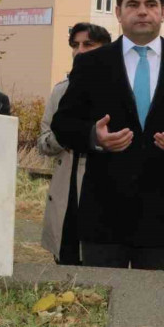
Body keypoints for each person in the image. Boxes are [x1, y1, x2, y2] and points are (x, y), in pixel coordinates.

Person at [51, 0, 164, 275]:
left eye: (151, 4)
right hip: (103, 215)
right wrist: (94, 137)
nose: (143, 11)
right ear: (118, 12)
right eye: (133, 4)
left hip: (163, 217)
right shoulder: (91, 64)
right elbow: (63, 123)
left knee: (155, 309)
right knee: (98, 303)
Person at [39, 22, 111, 265]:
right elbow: (43, 142)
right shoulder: (60, 92)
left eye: (88, 44)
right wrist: (66, 133)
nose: (80, 51)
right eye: (75, 45)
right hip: (67, 189)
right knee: (67, 263)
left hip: (105, 189)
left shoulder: (118, 89)